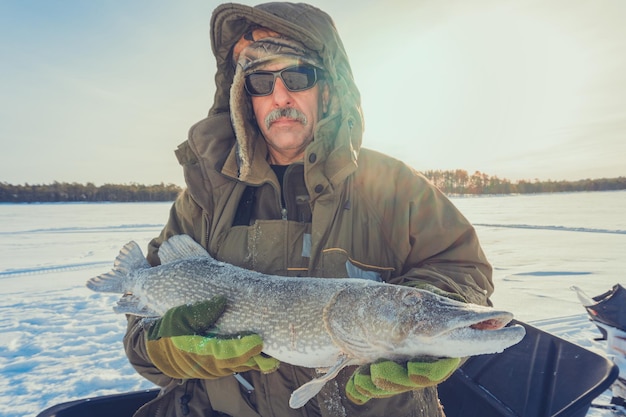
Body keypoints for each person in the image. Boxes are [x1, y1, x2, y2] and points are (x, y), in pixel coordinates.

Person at [123, 2, 494, 417]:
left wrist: (421, 311)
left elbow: (463, 270)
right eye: (260, 82)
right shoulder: (205, 200)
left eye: (297, 76)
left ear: (328, 87)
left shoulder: (393, 185)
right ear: (243, 97)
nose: (279, 95)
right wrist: (167, 348)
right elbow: (140, 329)